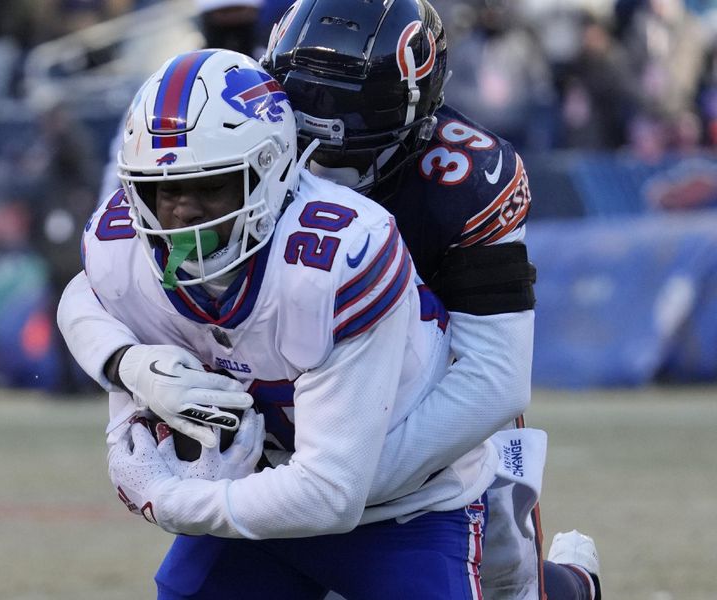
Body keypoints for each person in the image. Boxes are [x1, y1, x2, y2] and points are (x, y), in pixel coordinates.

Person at [58, 0, 601, 598]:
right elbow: (94, 291)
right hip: (294, 393)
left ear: (416, 115)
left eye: (344, 147)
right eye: (298, 131)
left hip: (431, 391)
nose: (316, 166)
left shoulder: (464, 179)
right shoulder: (228, 157)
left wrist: (330, 478)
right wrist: (131, 365)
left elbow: (494, 378)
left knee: (505, 575)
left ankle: (566, 587)